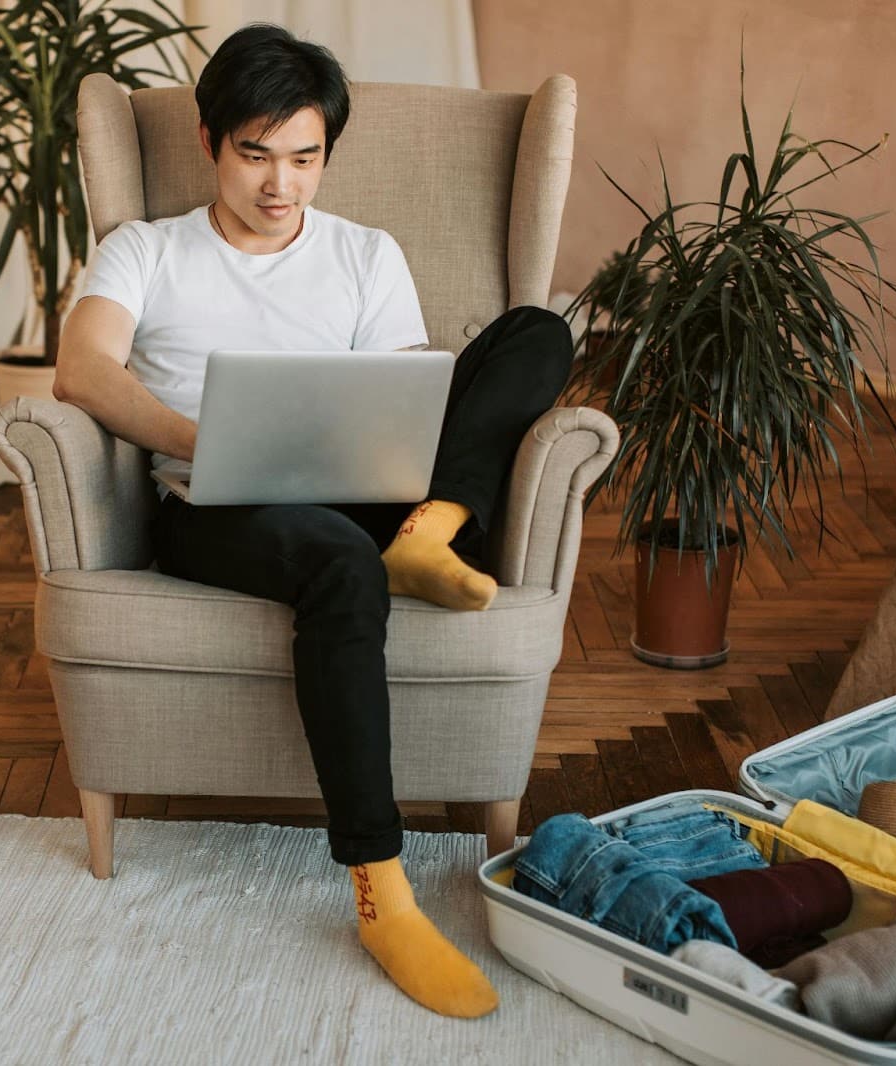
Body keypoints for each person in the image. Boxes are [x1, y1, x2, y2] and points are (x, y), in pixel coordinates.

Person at [53, 23, 572, 1018]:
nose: (280, 185)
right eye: (256, 155)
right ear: (209, 142)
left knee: (537, 332)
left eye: (304, 157)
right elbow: (82, 371)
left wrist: (405, 459)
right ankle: (382, 892)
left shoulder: (365, 253)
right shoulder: (146, 250)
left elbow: (409, 398)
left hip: (359, 489)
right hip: (213, 505)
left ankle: (429, 532)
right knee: (341, 561)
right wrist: (209, 439)